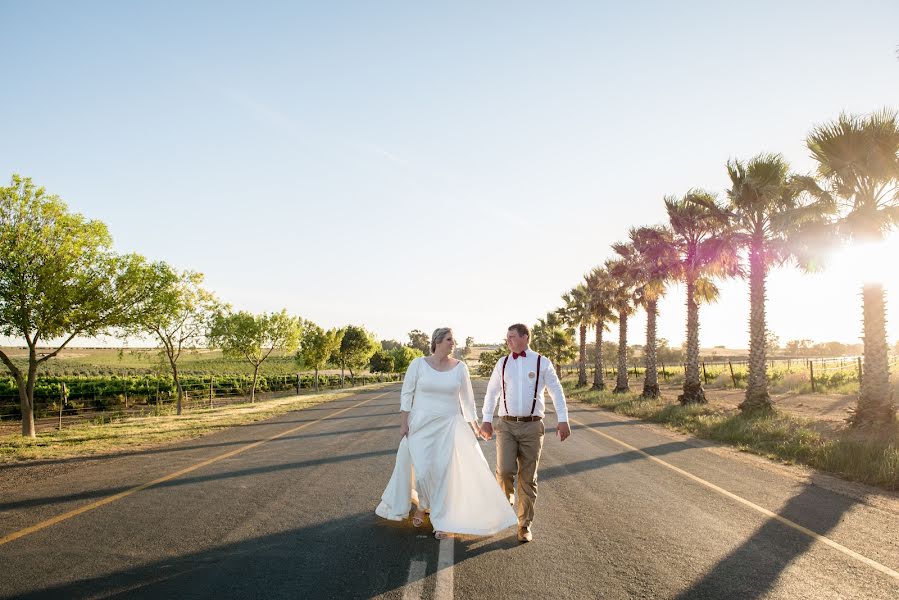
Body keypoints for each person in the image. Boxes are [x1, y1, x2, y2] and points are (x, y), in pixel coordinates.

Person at [376, 327, 517, 538]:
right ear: (437, 341)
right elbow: (407, 394)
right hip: (421, 424)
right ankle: (423, 505)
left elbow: (467, 401)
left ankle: (440, 519)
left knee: (442, 473)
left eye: (453, 340)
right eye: (449, 339)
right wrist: (403, 423)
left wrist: (475, 426)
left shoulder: (460, 368)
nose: (453, 343)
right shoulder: (418, 365)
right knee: (423, 471)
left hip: (449, 426)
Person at [479, 323, 571, 543]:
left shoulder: (542, 362)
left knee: (528, 479)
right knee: (504, 471)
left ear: (525, 337)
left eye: (512, 336)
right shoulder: (501, 364)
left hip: (532, 426)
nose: (508, 340)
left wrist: (563, 420)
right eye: (507, 337)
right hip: (506, 425)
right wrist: (486, 420)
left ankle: (524, 525)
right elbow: (491, 393)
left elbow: (556, 391)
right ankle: (505, 506)